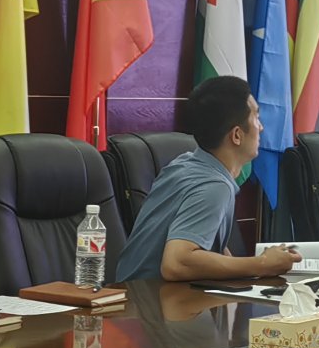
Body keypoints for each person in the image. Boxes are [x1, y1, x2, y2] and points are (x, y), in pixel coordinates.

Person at [114, 75, 301, 283]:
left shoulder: (186, 163)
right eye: (256, 117)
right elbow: (176, 263)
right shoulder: (214, 186)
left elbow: (209, 246)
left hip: (133, 295)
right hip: (147, 299)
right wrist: (263, 264)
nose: (261, 127)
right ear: (236, 135)